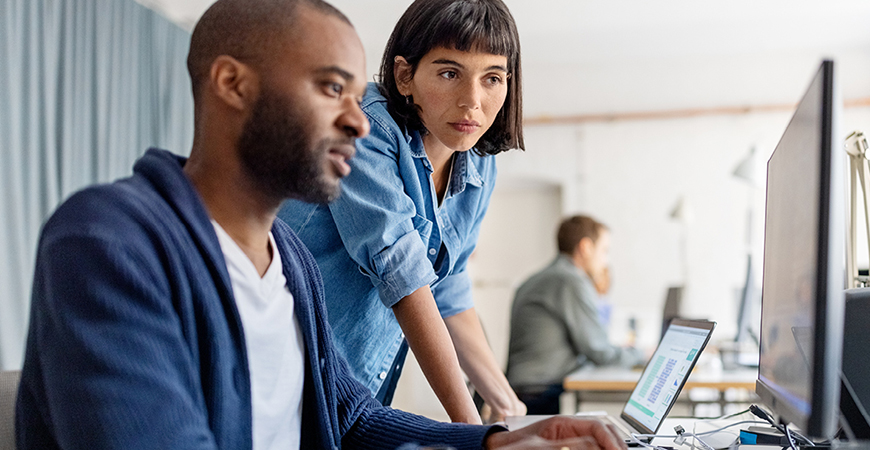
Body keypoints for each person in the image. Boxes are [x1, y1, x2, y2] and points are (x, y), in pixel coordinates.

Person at [14, 1, 628, 449]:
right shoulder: (108, 242)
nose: (360, 123)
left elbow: (351, 418)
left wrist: (496, 441)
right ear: (233, 84)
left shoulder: (290, 261)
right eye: (333, 88)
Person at [279, 0, 525, 424]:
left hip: (353, 397)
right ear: (405, 76)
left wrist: (507, 406)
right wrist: (474, 432)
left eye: (493, 78)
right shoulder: (365, 129)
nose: (473, 101)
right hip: (284, 378)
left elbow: (448, 290)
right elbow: (403, 274)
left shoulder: (480, 162)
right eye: (450, 73)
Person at [506, 215, 644, 415]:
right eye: (604, 251)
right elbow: (599, 351)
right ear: (586, 247)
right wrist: (640, 354)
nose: (606, 260)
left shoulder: (542, 277)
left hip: (524, 389)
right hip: (540, 393)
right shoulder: (570, 280)